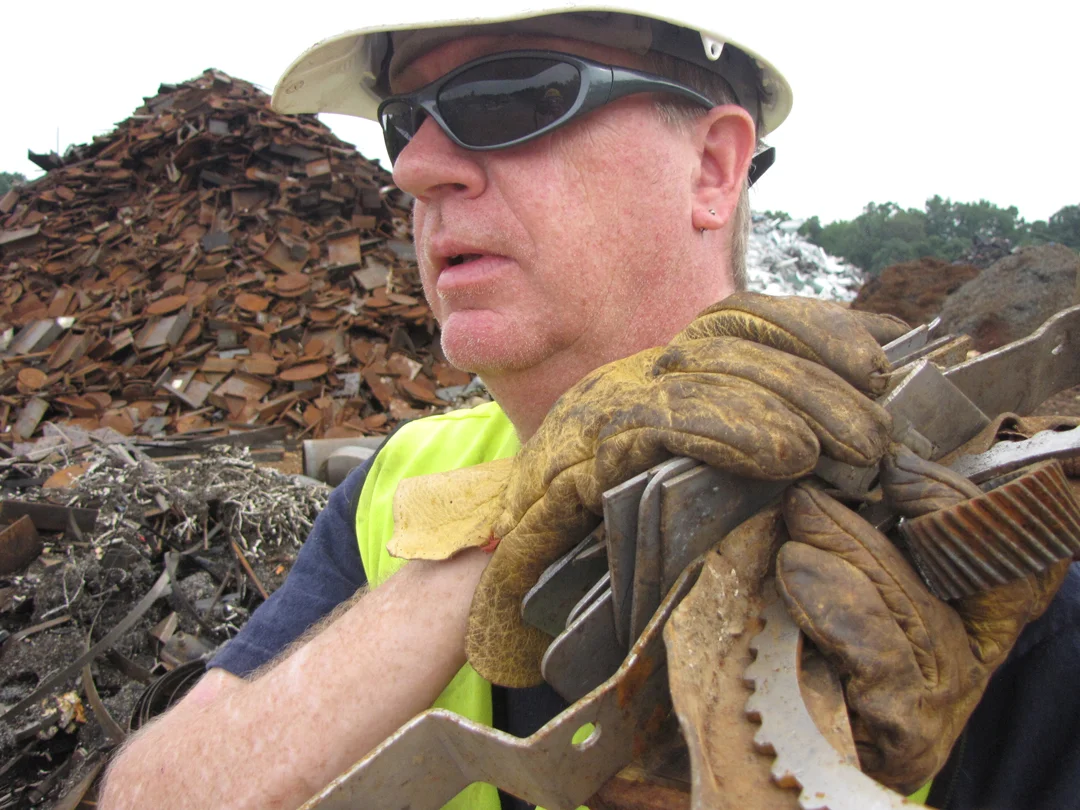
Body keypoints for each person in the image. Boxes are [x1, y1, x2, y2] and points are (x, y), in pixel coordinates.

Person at [99, 4, 1080, 810]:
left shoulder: (993, 547)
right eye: (404, 122)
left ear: (710, 169)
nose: (414, 167)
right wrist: (518, 521)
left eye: (507, 95)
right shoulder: (405, 488)